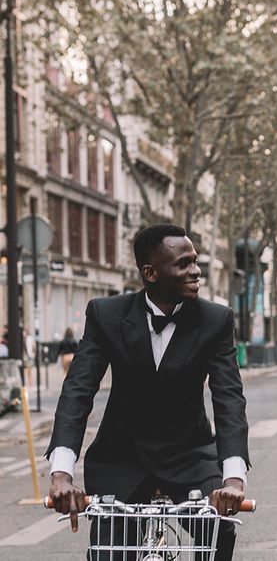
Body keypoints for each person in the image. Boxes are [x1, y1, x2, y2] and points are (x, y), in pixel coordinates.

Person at [46, 224, 250, 561]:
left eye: (195, 261)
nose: (196, 271)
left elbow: (228, 398)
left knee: (218, 533)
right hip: (120, 456)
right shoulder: (106, 315)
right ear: (150, 273)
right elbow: (77, 391)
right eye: (183, 264)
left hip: (190, 456)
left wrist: (233, 480)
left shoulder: (216, 320)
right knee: (109, 552)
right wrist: (62, 473)